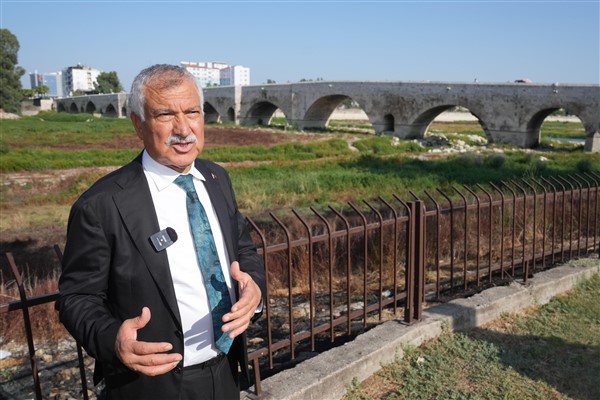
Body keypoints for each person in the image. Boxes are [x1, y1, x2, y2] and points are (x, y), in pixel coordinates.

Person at [57, 64, 266, 400]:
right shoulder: (101, 205)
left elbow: (243, 251)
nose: (183, 129)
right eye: (166, 115)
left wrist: (254, 289)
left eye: (192, 112)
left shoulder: (217, 179)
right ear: (138, 124)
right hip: (151, 385)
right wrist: (113, 339)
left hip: (226, 371)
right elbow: (76, 298)